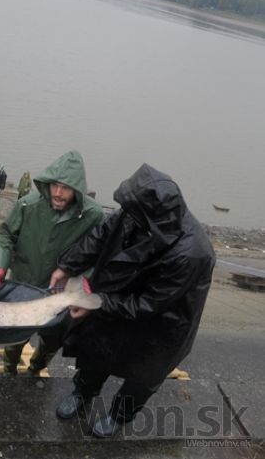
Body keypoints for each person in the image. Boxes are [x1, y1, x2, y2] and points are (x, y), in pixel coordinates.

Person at [50, 164, 215, 438]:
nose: (125, 211)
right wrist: (68, 265)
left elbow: (147, 305)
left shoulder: (191, 254)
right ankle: (83, 393)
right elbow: (100, 236)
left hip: (164, 325)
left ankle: (119, 415)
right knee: (96, 353)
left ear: (151, 216)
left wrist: (94, 302)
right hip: (118, 299)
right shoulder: (136, 210)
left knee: (141, 378)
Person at [0, 151, 104, 376]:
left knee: (53, 339)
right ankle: (9, 369)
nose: (57, 193)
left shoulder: (93, 215)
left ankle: (36, 368)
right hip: (23, 284)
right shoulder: (28, 205)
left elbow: (97, 252)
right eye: (54, 185)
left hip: (60, 293)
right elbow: (6, 235)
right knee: (16, 334)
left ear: (77, 190)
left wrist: (85, 279)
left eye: (66, 188)